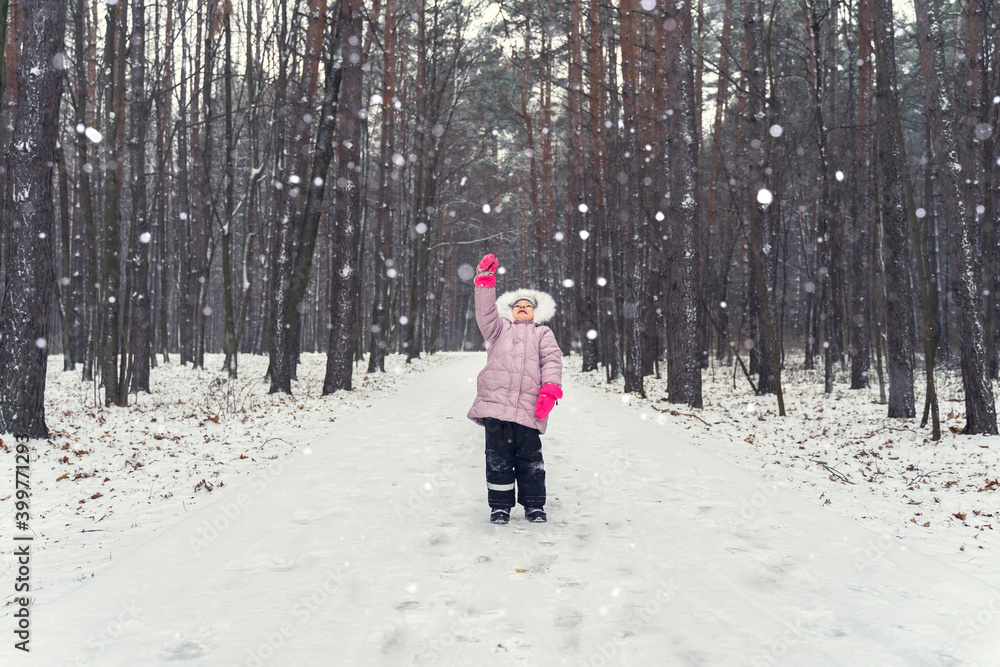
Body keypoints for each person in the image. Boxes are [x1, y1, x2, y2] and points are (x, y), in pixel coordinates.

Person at [467, 253, 563, 524]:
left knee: (530, 462)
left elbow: (552, 361)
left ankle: (534, 506)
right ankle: (499, 506)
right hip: (496, 407)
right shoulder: (498, 331)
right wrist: (485, 282)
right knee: (497, 461)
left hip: (528, 410)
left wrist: (550, 390)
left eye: (527, 306)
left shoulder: (542, 334)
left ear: (536, 312)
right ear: (509, 311)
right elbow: (484, 313)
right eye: (517, 305)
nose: (522, 307)